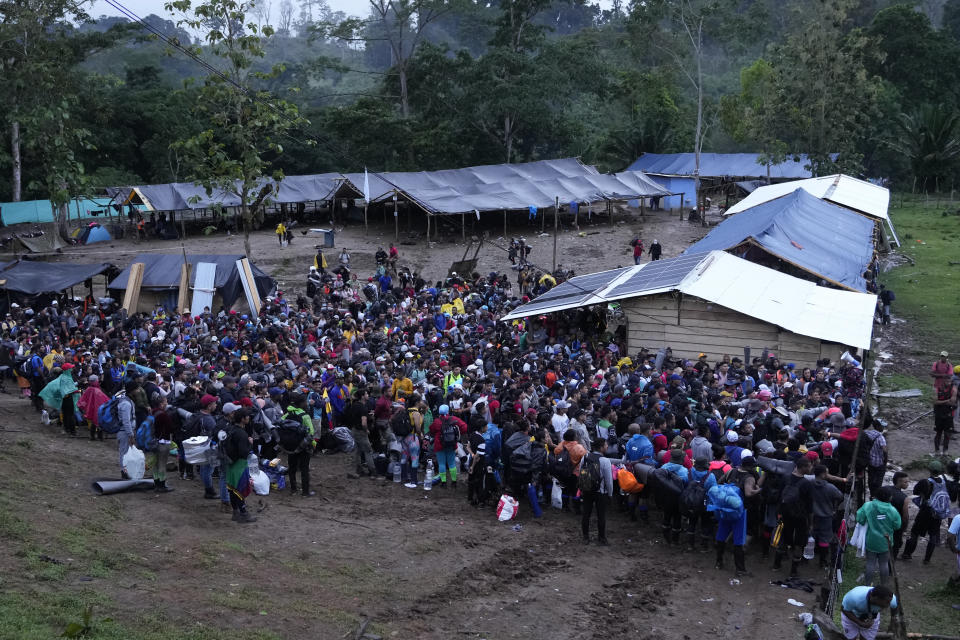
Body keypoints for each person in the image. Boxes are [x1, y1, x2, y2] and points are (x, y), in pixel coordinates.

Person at [902, 460, 950, 564]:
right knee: (933, 535)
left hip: (925, 512)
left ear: (929, 470)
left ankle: (907, 554)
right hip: (938, 513)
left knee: (915, 533)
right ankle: (927, 559)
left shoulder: (925, 481)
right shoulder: (944, 482)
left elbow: (915, 491)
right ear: (940, 470)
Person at [775, 455, 815, 576]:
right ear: (803, 468)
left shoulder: (786, 478)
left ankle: (776, 564)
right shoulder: (807, 484)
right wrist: (811, 523)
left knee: (783, 538)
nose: (811, 468)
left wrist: (779, 513)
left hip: (785, 514)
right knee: (799, 543)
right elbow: (810, 506)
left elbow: (779, 497)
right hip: (800, 517)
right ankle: (793, 571)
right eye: (809, 466)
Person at [856, 486, 901, 586]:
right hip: (886, 541)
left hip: (871, 540)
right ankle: (884, 585)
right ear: (890, 498)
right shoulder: (893, 510)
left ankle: (867, 585)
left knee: (870, 563)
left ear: (876, 496)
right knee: (884, 564)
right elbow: (897, 526)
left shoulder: (868, 506)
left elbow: (860, 519)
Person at [223, 407, 256, 523]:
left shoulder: (230, 429)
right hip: (239, 465)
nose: (249, 418)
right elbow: (244, 453)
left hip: (230, 463)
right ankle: (243, 513)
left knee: (232, 489)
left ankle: (235, 512)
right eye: (247, 416)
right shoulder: (241, 433)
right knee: (240, 489)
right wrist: (250, 444)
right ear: (242, 419)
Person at [579, 438, 613, 545]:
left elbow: (581, 472)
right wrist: (610, 494)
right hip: (600, 492)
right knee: (601, 515)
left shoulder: (585, 457)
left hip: (587, 489)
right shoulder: (605, 461)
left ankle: (585, 537)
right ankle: (601, 538)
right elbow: (609, 480)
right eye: (606, 445)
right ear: (602, 447)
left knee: (586, 514)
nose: (607, 446)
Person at [283, 392, 316, 497]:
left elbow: (280, 424)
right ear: (301, 403)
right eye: (305, 402)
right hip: (304, 446)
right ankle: (305, 492)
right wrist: (313, 444)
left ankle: (293, 490)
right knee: (304, 468)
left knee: (292, 467)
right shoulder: (305, 416)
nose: (306, 404)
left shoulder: (287, 414)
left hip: (291, 446)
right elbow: (311, 432)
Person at [429, 404, 467, 489]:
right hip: (451, 445)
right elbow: (464, 427)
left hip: (439, 445)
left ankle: (444, 483)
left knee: (441, 464)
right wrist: (459, 434)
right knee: (452, 463)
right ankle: (454, 482)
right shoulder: (453, 419)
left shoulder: (437, 421)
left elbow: (431, 429)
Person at [344, 388, 374, 479]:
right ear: (362, 396)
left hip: (354, 429)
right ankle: (373, 472)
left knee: (357, 451)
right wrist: (366, 430)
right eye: (366, 394)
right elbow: (363, 422)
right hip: (361, 431)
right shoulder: (363, 407)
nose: (368, 395)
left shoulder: (354, 405)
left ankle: (359, 470)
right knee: (368, 451)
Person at [149, 393, 176, 493]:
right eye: (165, 402)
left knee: (155, 464)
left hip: (153, 442)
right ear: (161, 404)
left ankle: (156, 483)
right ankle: (162, 485)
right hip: (163, 442)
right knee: (162, 464)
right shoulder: (163, 415)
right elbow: (170, 428)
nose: (167, 404)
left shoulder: (152, 412)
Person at [884, 471, 911, 558]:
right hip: (896, 526)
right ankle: (890, 566)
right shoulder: (904, 498)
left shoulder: (885, 489)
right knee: (895, 547)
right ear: (899, 481)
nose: (908, 484)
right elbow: (905, 516)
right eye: (905, 482)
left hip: (883, 522)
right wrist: (904, 528)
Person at [117, 380, 138, 479]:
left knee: (126, 453)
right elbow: (126, 421)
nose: (138, 391)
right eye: (136, 389)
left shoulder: (128, 401)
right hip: (124, 432)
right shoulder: (126, 404)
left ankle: (127, 472)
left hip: (126, 431)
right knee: (124, 453)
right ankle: (124, 473)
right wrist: (131, 435)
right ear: (132, 390)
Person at [77, 374, 109, 441]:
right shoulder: (97, 390)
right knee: (99, 422)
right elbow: (104, 399)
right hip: (97, 408)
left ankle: (92, 436)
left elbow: (83, 399)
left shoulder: (89, 389)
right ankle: (100, 437)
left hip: (90, 409)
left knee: (93, 423)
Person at [933, 367, 956, 456]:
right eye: (946, 380)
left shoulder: (953, 389)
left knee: (947, 433)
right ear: (943, 380)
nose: (948, 382)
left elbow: (953, 402)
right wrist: (946, 401)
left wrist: (941, 402)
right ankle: (937, 450)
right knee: (938, 433)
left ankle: (945, 451)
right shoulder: (937, 389)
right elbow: (935, 401)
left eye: (949, 380)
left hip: (949, 414)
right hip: (939, 414)